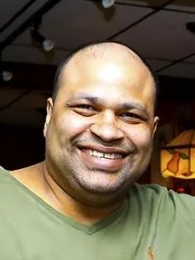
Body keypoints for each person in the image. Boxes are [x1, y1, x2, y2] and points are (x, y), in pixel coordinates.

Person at [0, 41, 194, 260]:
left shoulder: (184, 221)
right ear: (49, 116)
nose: (108, 132)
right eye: (86, 108)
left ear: (152, 129)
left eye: (130, 115)